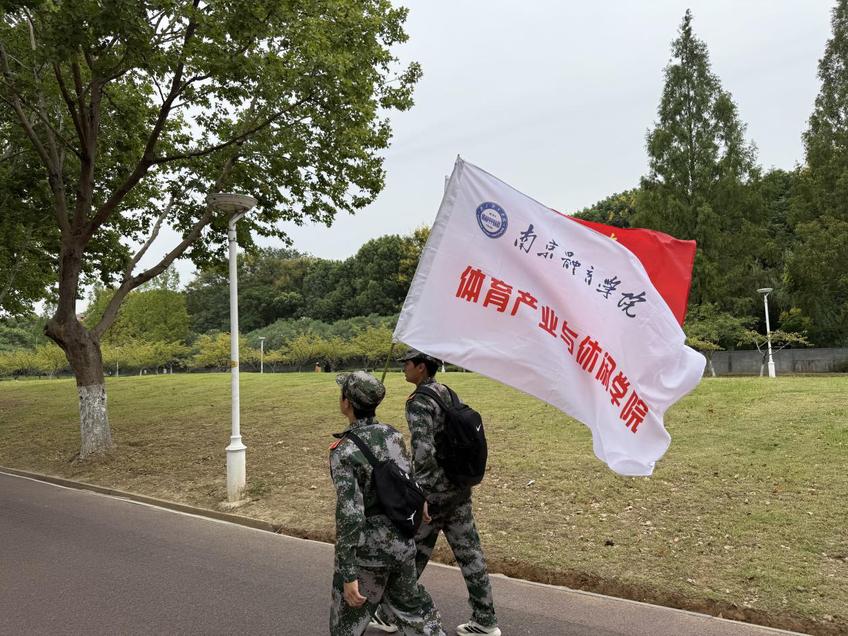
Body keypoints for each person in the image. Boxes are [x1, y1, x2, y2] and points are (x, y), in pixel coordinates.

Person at [370, 351, 501, 636]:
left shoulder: (419, 401)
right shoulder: (447, 392)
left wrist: (421, 495)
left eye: (407, 363)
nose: (404, 367)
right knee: (470, 554)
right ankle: (485, 620)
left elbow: (423, 451)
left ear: (421, 367)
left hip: (434, 494)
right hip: (458, 487)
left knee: (409, 554)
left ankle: (390, 615)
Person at [329, 370, 445, 636]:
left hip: (369, 554)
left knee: (346, 627)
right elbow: (408, 481)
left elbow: (350, 515)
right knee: (416, 617)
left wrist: (348, 573)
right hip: (402, 545)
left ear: (347, 403)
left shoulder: (344, 451)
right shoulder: (392, 435)